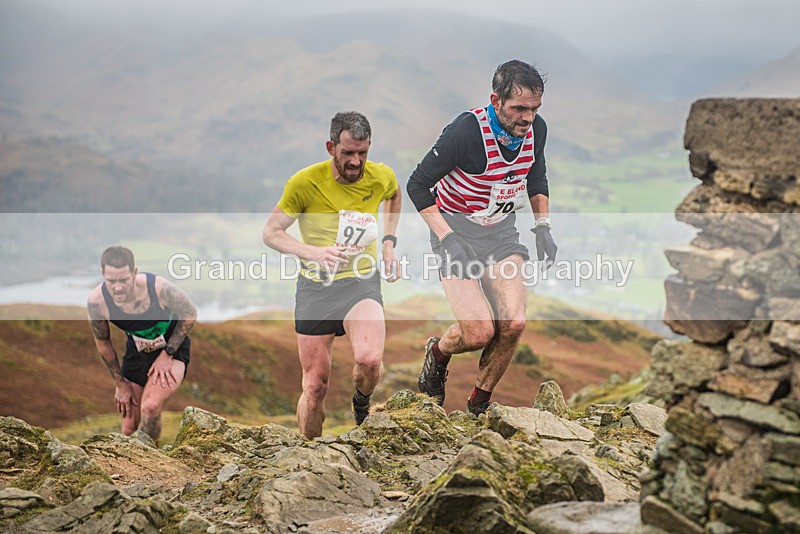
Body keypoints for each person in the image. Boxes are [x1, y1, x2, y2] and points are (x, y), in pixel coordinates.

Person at [407, 59, 557, 415]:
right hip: (455, 233)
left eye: (534, 108)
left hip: (501, 234)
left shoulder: (536, 130)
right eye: (519, 108)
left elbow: (536, 176)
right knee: (478, 333)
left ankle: (479, 404)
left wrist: (543, 227)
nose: (528, 118)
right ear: (496, 100)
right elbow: (417, 185)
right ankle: (438, 352)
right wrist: (448, 239)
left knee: (513, 323)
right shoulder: (465, 132)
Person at [262, 111, 401, 439]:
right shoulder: (305, 183)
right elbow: (271, 232)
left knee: (370, 361)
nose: (356, 161)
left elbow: (395, 195)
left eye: (362, 152)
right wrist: (314, 253)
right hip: (316, 288)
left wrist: (389, 244)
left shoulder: (380, 176)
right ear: (330, 147)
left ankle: (361, 402)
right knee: (314, 387)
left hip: (360, 283)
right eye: (348, 152)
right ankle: (309, 453)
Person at [87, 246, 197, 441]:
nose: (118, 287)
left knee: (150, 407)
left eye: (123, 280)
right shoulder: (98, 302)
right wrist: (120, 384)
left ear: (134, 272)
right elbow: (103, 342)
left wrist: (167, 355)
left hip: (172, 349)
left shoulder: (159, 289)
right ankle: (135, 458)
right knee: (128, 428)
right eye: (111, 281)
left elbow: (190, 313)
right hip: (137, 353)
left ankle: (149, 455)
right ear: (102, 274)